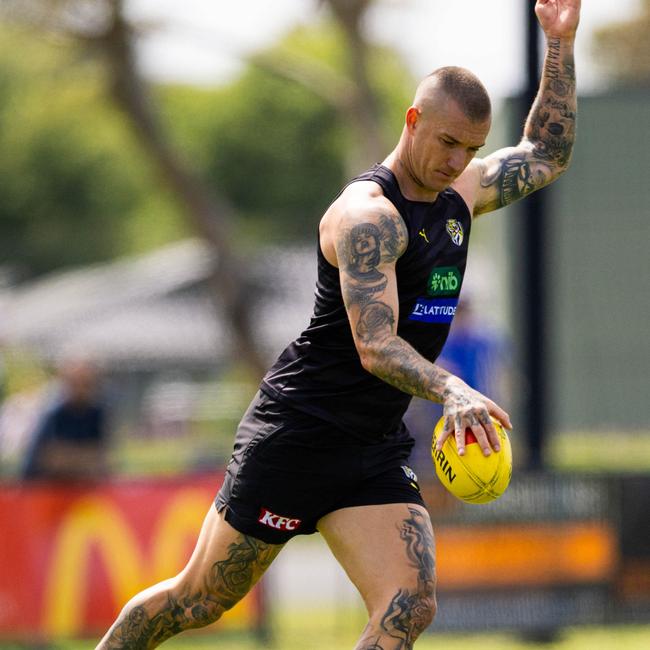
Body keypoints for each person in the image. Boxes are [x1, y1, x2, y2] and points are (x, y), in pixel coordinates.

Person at [97, 1, 580, 647]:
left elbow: (546, 152)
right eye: (447, 143)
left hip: (370, 446)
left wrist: (558, 43)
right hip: (299, 433)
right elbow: (376, 346)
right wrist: (453, 389)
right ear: (413, 122)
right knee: (199, 601)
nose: (456, 161)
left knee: (409, 602)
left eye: (470, 149)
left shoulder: (458, 196)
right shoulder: (367, 217)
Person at [21, 357, 109, 481]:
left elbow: (102, 460)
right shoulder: (53, 414)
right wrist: (84, 458)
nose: (81, 389)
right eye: (76, 383)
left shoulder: (96, 413)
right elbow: (52, 460)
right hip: (42, 490)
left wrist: (72, 457)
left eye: (86, 383)